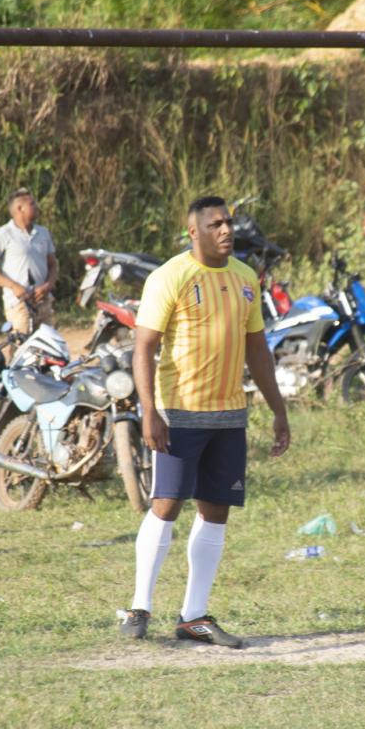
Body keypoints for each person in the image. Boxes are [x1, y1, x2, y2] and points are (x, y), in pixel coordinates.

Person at [117, 195, 291, 648]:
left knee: (216, 511)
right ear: (193, 231)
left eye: (228, 223)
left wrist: (278, 409)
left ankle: (193, 616)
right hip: (179, 415)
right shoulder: (170, 277)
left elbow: (257, 350)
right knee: (167, 504)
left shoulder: (246, 279)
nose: (226, 231)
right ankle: (140, 606)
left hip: (229, 417)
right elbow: (144, 348)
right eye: (215, 225)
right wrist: (149, 412)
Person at [0, 187, 59, 335]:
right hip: (19, 305)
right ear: (19, 208)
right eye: (32, 204)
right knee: (20, 347)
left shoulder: (43, 232)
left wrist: (48, 285)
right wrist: (13, 286)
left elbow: (53, 264)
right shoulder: (2, 234)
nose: (36, 206)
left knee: (48, 348)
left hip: (43, 302)